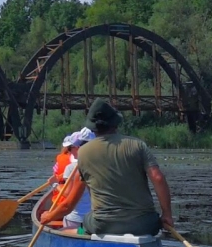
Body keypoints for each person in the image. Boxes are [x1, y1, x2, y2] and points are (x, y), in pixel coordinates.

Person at [75, 98, 175, 237]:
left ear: (93, 128)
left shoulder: (82, 152)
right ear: (115, 123)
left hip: (103, 224)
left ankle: (80, 236)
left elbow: (88, 188)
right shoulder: (137, 145)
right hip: (145, 225)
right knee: (153, 220)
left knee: (83, 224)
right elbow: (157, 178)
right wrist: (167, 214)